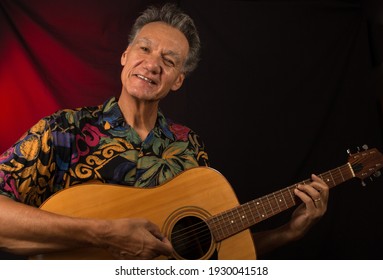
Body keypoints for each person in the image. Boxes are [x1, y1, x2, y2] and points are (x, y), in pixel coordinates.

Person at [0, 3, 329, 260]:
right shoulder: (64, 129)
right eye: (144, 49)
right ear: (125, 56)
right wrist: (101, 233)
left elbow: (217, 251)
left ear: (178, 80)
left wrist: (288, 233)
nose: (153, 64)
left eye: (169, 60)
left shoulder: (189, 147)